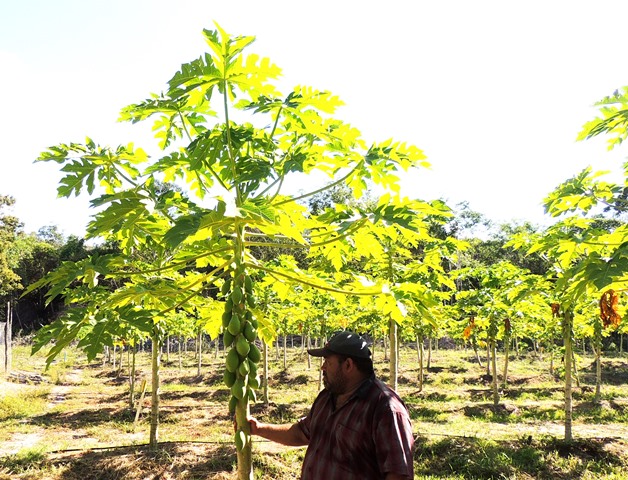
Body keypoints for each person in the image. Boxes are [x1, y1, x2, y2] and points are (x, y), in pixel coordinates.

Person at [248, 330, 415, 480]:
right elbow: (301, 433)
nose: (322, 367)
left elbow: (398, 474)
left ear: (348, 365)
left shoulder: (386, 409)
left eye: (327, 362)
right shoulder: (326, 398)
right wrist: (258, 429)